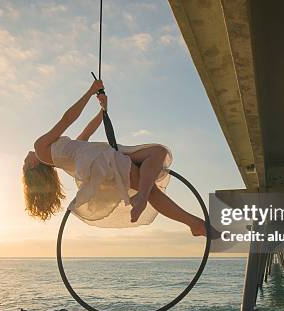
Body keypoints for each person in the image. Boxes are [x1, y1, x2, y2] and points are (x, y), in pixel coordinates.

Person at [22, 78, 207, 236]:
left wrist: (103, 110)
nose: (25, 157)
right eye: (24, 162)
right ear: (32, 165)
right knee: (150, 190)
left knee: (158, 152)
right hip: (104, 163)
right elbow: (67, 119)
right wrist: (89, 92)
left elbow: (86, 133)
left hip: (106, 155)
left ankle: (191, 223)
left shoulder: (62, 155)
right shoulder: (40, 148)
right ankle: (173, 214)